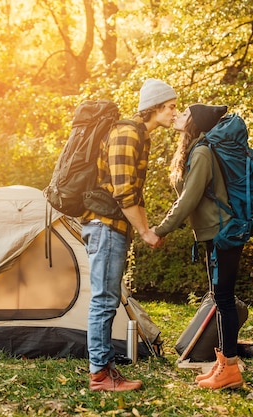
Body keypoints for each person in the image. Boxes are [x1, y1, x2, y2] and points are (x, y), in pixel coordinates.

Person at [82, 78, 177, 392]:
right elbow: (124, 193)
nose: (175, 112)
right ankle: (100, 375)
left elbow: (136, 193)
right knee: (104, 301)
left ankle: (105, 369)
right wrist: (146, 232)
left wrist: (146, 229)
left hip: (114, 227)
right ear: (155, 108)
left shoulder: (141, 136)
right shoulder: (127, 134)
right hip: (105, 225)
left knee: (106, 299)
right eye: (171, 107)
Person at [152, 104, 245, 390]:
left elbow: (189, 199)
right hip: (213, 234)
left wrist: (160, 229)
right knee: (218, 299)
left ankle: (230, 368)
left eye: (184, 113)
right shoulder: (195, 149)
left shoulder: (203, 152)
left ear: (196, 122)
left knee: (225, 300)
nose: (177, 115)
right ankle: (222, 364)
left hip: (223, 233)